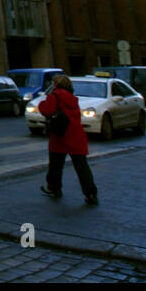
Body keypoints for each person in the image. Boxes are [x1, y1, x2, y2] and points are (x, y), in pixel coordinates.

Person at [38, 74, 98, 204]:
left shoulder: (54, 96)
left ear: (56, 84)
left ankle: (54, 188)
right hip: (76, 134)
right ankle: (90, 193)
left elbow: (47, 110)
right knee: (82, 167)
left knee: (55, 165)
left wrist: (42, 103)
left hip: (60, 135)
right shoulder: (72, 98)